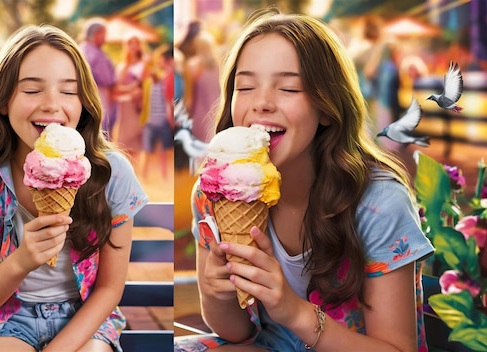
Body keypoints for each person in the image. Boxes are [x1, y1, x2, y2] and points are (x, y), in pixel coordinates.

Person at [175, 8, 434, 352]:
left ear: (327, 106)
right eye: (246, 86)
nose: (262, 103)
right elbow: (236, 332)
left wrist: (294, 312)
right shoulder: (214, 194)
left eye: (289, 88)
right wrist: (216, 293)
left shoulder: (377, 203)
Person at [0, 24, 148, 352]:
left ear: (84, 102)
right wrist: (22, 260)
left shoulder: (112, 174)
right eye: (32, 90)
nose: (51, 105)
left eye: (68, 90)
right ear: (3, 101)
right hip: (1, 321)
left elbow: (109, 289)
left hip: (83, 320)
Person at [137, 46, 175, 181]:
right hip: (151, 121)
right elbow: (145, 78)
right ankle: (144, 175)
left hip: (163, 121)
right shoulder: (153, 80)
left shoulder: (168, 79)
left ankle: (165, 176)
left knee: (164, 151)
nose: (160, 64)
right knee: (147, 150)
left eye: (161, 61)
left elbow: (169, 101)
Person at [113, 34, 149, 162]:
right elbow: (117, 88)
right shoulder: (122, 66)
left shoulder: (145, 64)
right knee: (123, 140)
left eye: (136, 42)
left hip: (138, 106)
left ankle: (136, 169)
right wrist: (131, 88)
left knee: (136, 138)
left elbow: (147, 85)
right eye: (130, 43)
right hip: (124, 106)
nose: (133, 46)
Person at [80, 18, 117, 140]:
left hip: (83, 98)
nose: (105, 38)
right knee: (101, 135)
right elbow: (108, 80)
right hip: (99, 96)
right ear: (97, 34)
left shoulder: (80, 49)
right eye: (104, 34)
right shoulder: (96, 54)